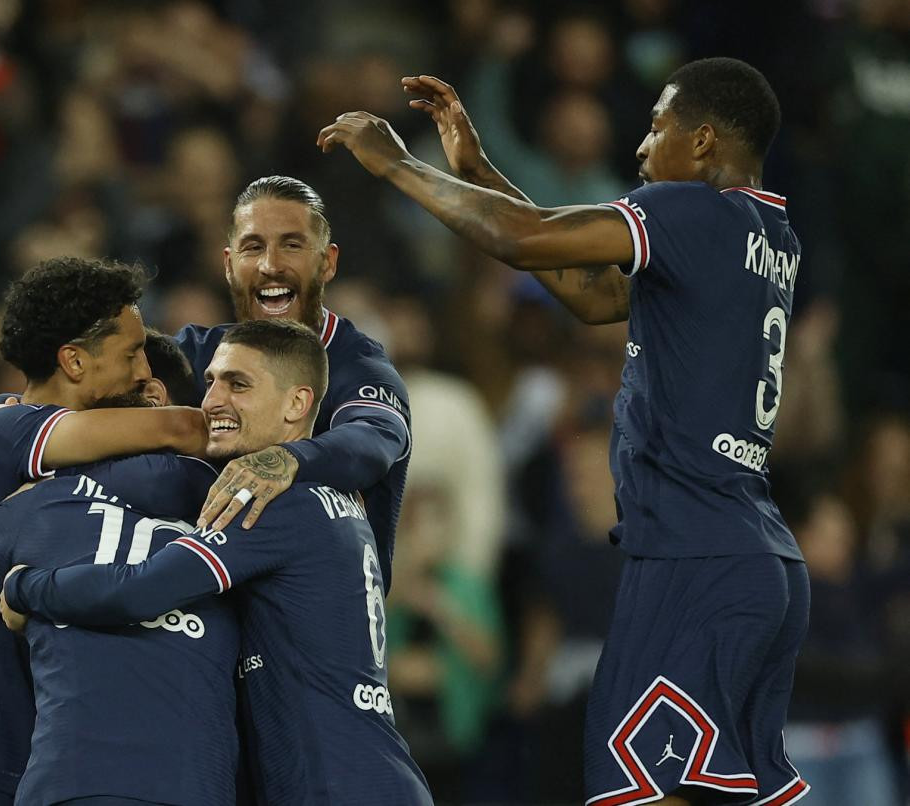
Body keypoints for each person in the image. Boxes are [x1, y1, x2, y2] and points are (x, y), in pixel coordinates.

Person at [317, 58, 810, 805]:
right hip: (758, 559)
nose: (642, 150)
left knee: (642, 790)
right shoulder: (769, 233)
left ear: (703, 141)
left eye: (656, 126)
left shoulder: (692, 211)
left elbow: (525, 240)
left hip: (691, 555)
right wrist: (481, 169)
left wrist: (397, 165)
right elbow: (592, 294)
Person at [0, 320, 433, 805]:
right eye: (211, 381)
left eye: (238, 384)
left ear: (298, 403)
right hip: (370, 775)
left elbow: (139, 589)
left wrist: (25, 589)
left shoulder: (276, 503)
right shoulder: (333, 495)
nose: (212, 401)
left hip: (335, 788)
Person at [0, 176, 412, 593]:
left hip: (319, 615)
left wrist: (289, 458)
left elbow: (373, 440)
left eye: (291, 244)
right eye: (252, 247)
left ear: (327, 262)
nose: (270, 266)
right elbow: (87, 379)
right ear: (228, 264)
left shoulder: (357, 364)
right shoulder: (202, 354)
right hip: (216, 609)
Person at [0, 257, 208, 806]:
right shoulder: (13, 428)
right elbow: (186, 425)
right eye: (131, 353)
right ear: (75, 360)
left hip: (30, 754)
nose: (142, 372)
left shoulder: (36, 434)